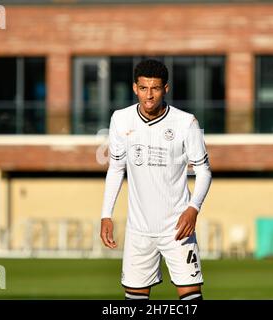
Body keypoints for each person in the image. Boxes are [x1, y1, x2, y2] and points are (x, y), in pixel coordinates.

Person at [100, 59, 212, 300]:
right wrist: (105, 214)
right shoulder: (120, 119)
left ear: (166, 89)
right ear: (134, 88)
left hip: (177, 229)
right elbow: (116, 168)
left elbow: (203, 171)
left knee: (192, 298)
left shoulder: (187, 122)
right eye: (143, 88)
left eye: (155, 89)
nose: (149, 95)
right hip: (138, 230)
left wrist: (193, 209)